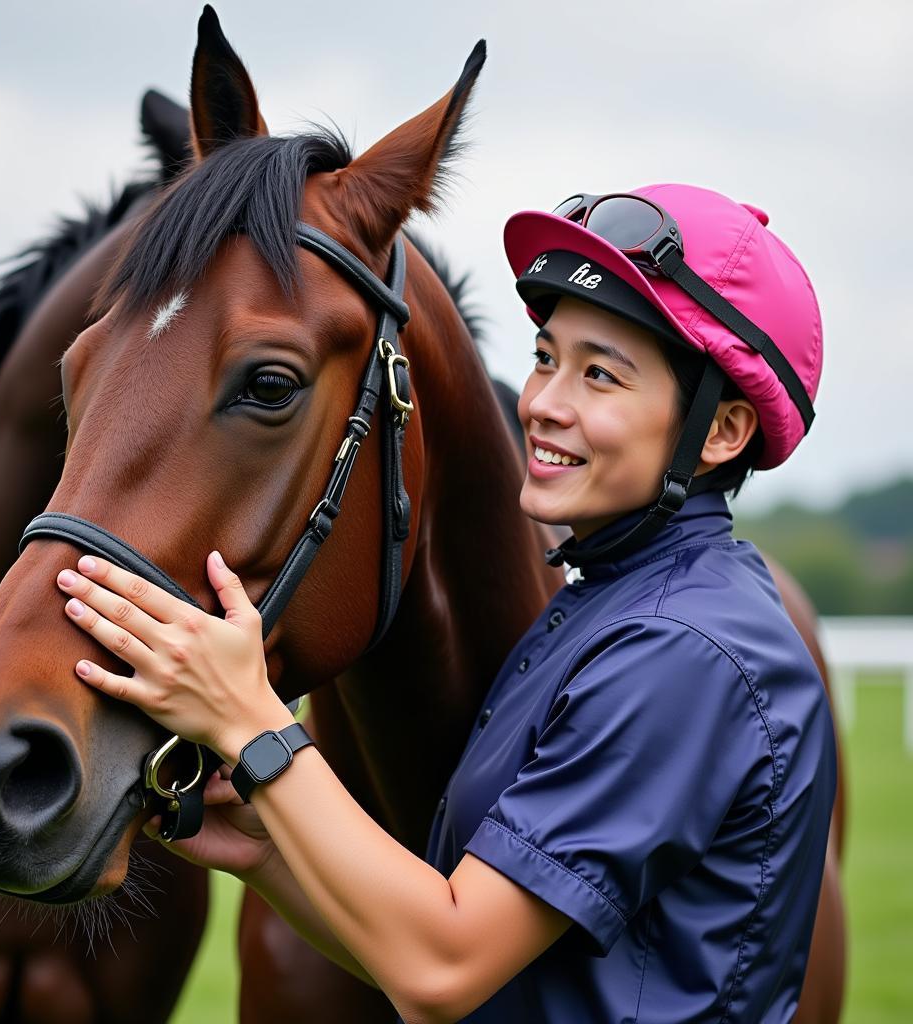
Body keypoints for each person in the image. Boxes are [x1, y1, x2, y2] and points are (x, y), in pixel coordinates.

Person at [54, 183, 836, 1023]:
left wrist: (252, 724)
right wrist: (267, 854)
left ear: (720, 432)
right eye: (546, 357)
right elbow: (452, 958)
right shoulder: (608, 604)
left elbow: (445, 971)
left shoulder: (683, 650)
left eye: (600, 375)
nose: (542, 405)